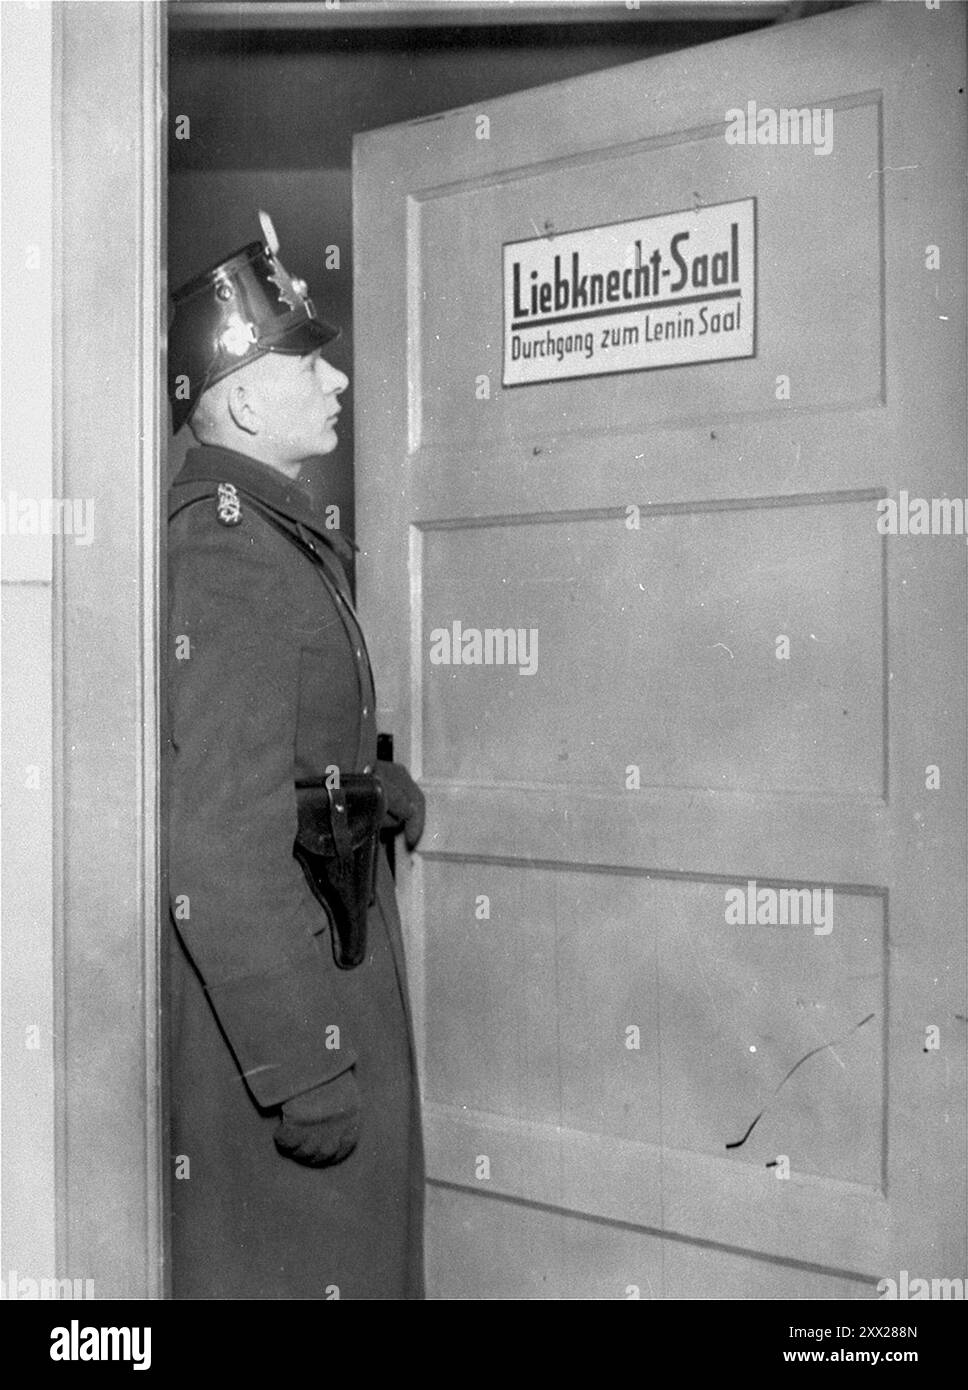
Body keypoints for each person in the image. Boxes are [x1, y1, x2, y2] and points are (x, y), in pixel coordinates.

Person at [165, 215, 425, 1300]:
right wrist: (302, 1063)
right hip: (289, 1010)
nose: (338, 378)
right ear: (236, 397)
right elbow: (215, 839)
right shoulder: (225, 548)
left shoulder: (267, 529)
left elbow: (277, 742)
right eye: (305, 358)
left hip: (327, 953)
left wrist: (365, 781)